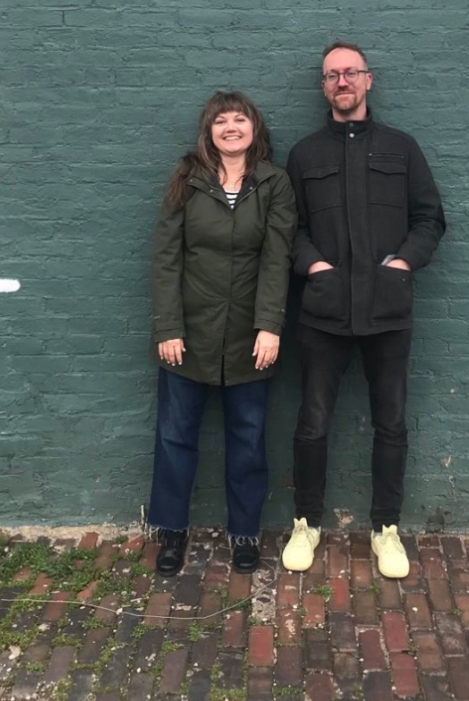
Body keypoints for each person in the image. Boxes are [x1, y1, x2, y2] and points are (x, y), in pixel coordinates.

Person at [281, 41, 445, 579]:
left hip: (387, 312)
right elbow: (291, 230)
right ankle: (306, 522)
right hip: (324, 313)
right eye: (332, 75)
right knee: (312, 424)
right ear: (323, 86)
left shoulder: (402, 148)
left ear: (369, 81)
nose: (342, 81)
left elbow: (429, 218)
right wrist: (315, 268)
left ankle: (386, 528)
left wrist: (403, 264)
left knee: (391, 423)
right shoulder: (305, 155)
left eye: (351, 72)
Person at [148, 91, 296, 576]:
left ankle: (245, 534)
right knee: (175, 438)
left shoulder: (274, 183)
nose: (230, 127)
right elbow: (167, 258)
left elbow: (277, 258)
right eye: (221, 121)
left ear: (255, 128)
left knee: (249, 439)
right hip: (187, 335)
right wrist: (169, 326)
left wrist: (269, 326)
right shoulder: (187, 181)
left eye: (240, 119)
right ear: (208, 131)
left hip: (249, 339)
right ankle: (171, 533)